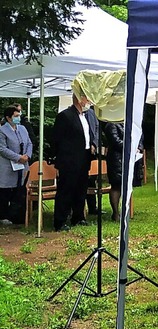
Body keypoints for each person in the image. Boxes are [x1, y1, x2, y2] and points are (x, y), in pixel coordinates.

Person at [52, 92, 98, 231]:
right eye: (86, 98)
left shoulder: (85, 116)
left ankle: (78, 217)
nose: (89, 101)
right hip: (69, 159)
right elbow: (56, 139)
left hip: (84, 157)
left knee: (81, 188)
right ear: (79, 99)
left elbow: (89, 134)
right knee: (66, 190)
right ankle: (60, 221)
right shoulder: (65, 116)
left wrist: (92, 145)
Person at [0, 106, 32, 225]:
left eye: (19, 115)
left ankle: (17, 216)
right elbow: (2, 148)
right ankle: (3, 216)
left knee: (20, 189)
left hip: (22, 164)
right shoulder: (2, 130)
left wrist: (27, 156)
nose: (18, 118)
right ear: (8, 117)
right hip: (8, 165)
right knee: (6, 190)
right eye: (15, 116)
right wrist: (18, 157)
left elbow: (29, 143)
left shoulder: (22, 128)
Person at [104, 122, 125, 221]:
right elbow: (115, 141)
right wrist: (130, 146)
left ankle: (126, 211)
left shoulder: (129, 121)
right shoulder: (111, 124)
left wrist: (138, 147)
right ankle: (116, 213)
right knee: (116, 185)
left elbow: (139, 136)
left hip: (127, 158)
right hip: (116, 159)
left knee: (125, 186)